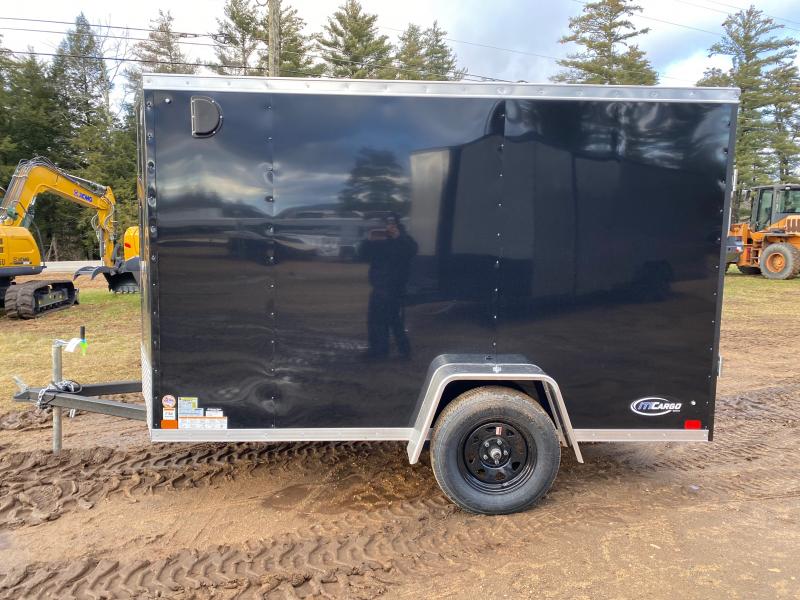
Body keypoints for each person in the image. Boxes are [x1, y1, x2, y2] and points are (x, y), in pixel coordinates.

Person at [359, 214, 418, 359]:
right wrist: (368, 241)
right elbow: (362, 255)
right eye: (387, 223)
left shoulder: (404, 239)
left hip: (394, 287)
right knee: (379, 320)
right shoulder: (380, 241)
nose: (389, 226)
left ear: (397, 224)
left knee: (390, 320)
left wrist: (398, 237)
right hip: (379, 286)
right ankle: (391, 350)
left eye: (392, 223)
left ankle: (387, 351)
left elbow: (411, 251)